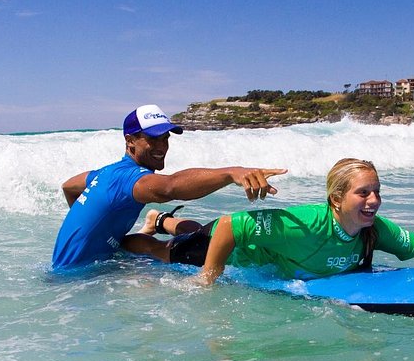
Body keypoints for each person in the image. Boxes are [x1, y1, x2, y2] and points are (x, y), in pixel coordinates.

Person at [51, 104, 286, 270]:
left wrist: (93, 225)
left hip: (100, 264)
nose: (162, 145)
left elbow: (69, 187)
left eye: (166, 138)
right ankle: (159, 222)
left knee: (191, 243)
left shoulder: (105, 173)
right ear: (130, 140)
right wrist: (231, 173)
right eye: (153, 138)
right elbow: (169, 187)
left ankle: (160, 222)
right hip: (78, 277)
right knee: (186, 250)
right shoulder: (128, 179)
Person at [196, 158, 414, 285]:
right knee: (168, 248)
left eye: (377, 192)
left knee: (191, 229)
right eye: (363, 193)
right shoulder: (306, 224)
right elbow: (229, 225)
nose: (374, 200)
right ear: (337, 199)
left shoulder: (374, 228)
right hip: (226, 251)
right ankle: (157, 226)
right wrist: (209, 278)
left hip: (242, 244)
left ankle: (159, 221)